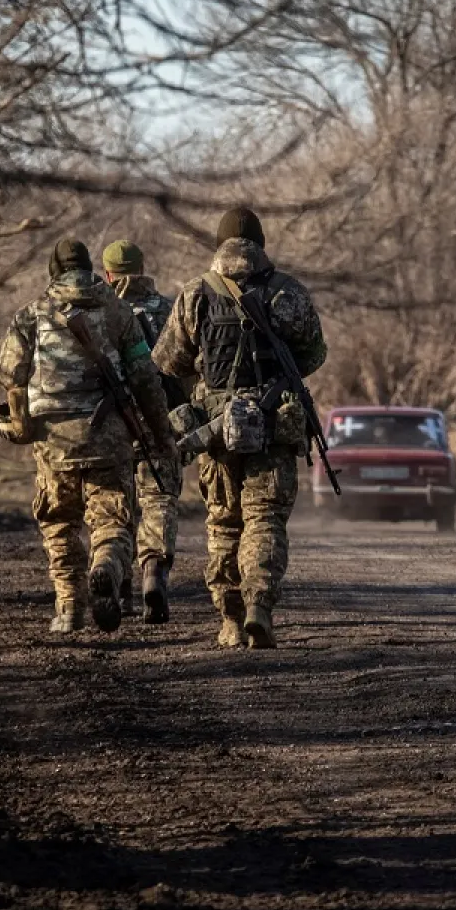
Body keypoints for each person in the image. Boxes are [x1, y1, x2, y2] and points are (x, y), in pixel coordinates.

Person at [152, 208, 326, 649]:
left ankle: (229, 619)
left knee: (224, 524)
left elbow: (167, 362)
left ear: (220, 244)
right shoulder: (288, 292)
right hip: (273, 427)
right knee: (265, 520)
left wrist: (207, 382)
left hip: (215, 431)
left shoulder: (196, 293)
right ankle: (259, 607)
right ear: (261, 244)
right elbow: (313, 356)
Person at [0, 238, 176, 633]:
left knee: (59, 521)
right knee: (112, 519)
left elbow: (10, 375)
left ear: (52, 271)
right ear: (91, 268)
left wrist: (21, 424)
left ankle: (71, 608)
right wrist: (161, 434)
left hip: (53, 440)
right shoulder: (118, 310)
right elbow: (145, 377)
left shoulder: (32, 314)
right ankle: (108, 567)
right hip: (109, 437)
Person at [101, 239, 187, 623]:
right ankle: (153, 569)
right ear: (142, 268)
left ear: (107, 274)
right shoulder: (169, 309)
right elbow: (187, 368)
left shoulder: (102, 313)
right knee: (159, 498)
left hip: (112, 424)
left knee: (117, 503)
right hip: (160, 419)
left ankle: (118, 586)